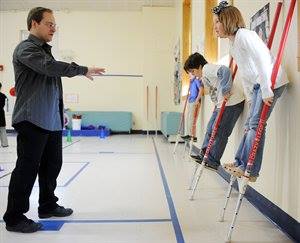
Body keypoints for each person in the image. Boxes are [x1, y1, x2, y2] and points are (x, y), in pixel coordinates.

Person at [3, 7, 105, 233]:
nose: (53, 28)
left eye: (54, 24)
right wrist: (82, 69)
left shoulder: (45, 51)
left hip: (51, 120)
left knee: (52, 166)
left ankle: (47, 205)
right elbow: (49, 68)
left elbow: (51, 73)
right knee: (26, 169)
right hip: (32, 119)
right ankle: (14, 217)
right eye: (49, 23)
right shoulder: (26, 49)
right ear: (33, 24)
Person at [212, 1, 289, 181]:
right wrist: (249, 96)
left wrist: (266, 90)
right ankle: (241, 162)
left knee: (256, 124)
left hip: (271, 81)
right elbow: (247, 74)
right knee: (249, 125)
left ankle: (251, 170)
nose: (214, 27)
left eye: (217, 22)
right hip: (257, 84)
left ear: (228, 20)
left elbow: (262, 60)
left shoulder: (246, 35)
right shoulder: (233, 44)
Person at [184, 53, 244, 171]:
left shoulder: (207, 69)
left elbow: (225, 70)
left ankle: (213, 160)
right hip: (221, 104)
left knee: (221, 131)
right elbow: (213, 92)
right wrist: (217, 104)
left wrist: (226, 90)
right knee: (210, 128)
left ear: (200, 66)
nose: (193, 75)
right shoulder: (203, 77)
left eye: (193, 71)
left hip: (232, 102)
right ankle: (204, 154)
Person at [181, 73, 204, 142]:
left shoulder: (196, 81)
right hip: (190, 101)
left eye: (190, 74)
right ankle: (188, 134)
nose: (189, 75)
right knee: (188, 118)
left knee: (192, 119)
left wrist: (197, 99)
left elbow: (201, 89)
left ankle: (191, 135)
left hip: (194, 101)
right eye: (188, 74)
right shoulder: (191, 82)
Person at [0, 82, 8, 147]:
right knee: (3, 129)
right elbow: (3, 105)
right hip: (1, 113)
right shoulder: (3, 96)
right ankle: (4, 144)